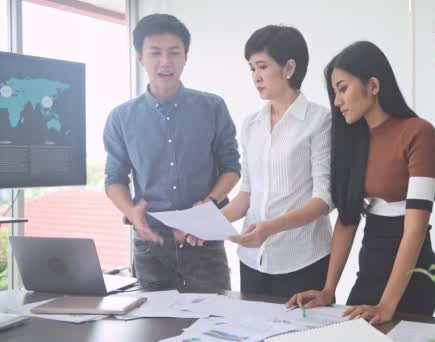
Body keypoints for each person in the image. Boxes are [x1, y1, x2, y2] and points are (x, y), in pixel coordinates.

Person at [287, 41, 435, 324]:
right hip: (370, 269)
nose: (337, 102)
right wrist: (328, 290)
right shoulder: (353, 140)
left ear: (373, 85)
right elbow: (348, 219)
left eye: (343, 88)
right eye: (335, 92)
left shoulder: (419, 133)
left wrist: (386, 305)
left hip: (413, 275)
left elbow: (415, 229)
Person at [103, 14, 240, 291]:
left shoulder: (213, 107)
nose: (165, 62)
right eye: (155, 52)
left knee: (216, 321)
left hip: (203, 239)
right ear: (140, 56)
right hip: (151, 245)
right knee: (154, 328)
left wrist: (210, 202)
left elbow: (231, 167)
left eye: (174, 52)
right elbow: (113, 177)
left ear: (185, 57)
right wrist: (131, 210)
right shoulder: (121, 117)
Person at [223, 25, 332, 298]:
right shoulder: (250, 125)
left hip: (302, 259)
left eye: (262, 66)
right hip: (252, 259)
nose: (255, 76)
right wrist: (208, 225)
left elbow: (324, 200)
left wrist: (269, 229)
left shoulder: (320, 121)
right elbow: (246, 193)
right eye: (251, 68)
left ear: (289, 68)